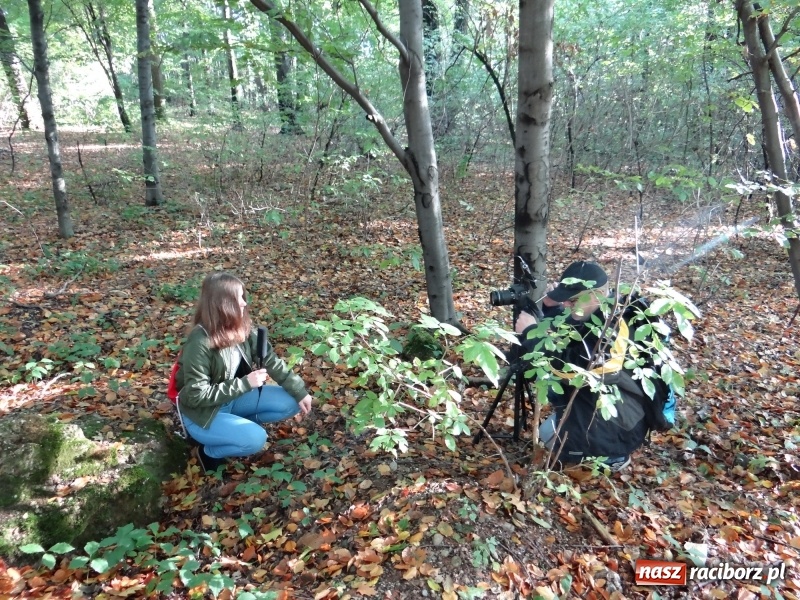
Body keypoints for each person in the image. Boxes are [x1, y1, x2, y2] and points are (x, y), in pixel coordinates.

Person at [515, 261, 647, 472]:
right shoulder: (603, 309)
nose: (567, 304)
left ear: (596, 295)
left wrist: (529, 333)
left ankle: (612, 455)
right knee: (546, 436)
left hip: (618, 422)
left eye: (572, 300)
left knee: (550, 442)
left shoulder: (613, 329)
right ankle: (597, 446)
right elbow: (574, 333)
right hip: (604, 409)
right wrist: (552, 308)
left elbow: (569, 368)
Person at [174, 272, 313, 473]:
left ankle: (235, 429)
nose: (244, 304)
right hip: (203, 413)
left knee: (292, 401)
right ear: (222, 303)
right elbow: (196, 395)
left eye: (242, 297)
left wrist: (299, 390)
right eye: (238, 298)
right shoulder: (200, 341)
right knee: (256, 439)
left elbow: (271, 360)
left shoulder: (241, 328)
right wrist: (245, 383)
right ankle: (208, 452)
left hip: (233, 399)